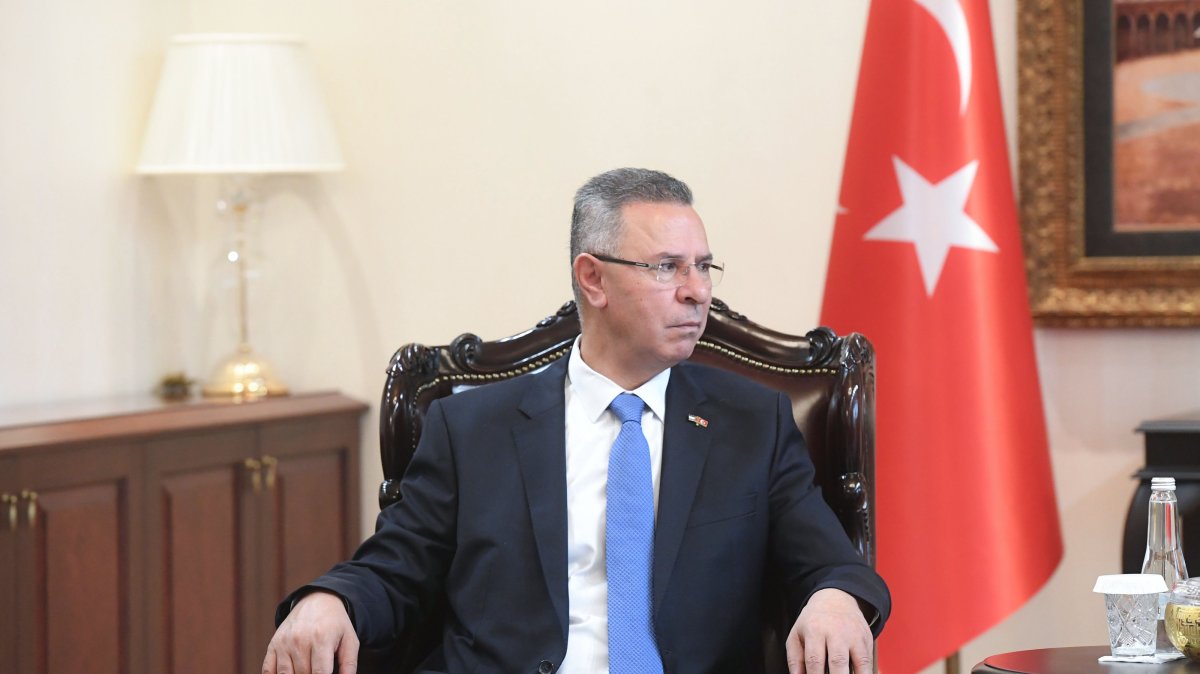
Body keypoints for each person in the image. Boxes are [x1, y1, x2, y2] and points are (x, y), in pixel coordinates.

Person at [263, 168, 890, 674]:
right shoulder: (472, 429)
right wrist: (330, 601)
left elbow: (831, 563)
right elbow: (395, 569)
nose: (697, 290)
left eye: (704, 266)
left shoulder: (752, 422)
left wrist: (835, 599)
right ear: (593, 278)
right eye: (668, 267)